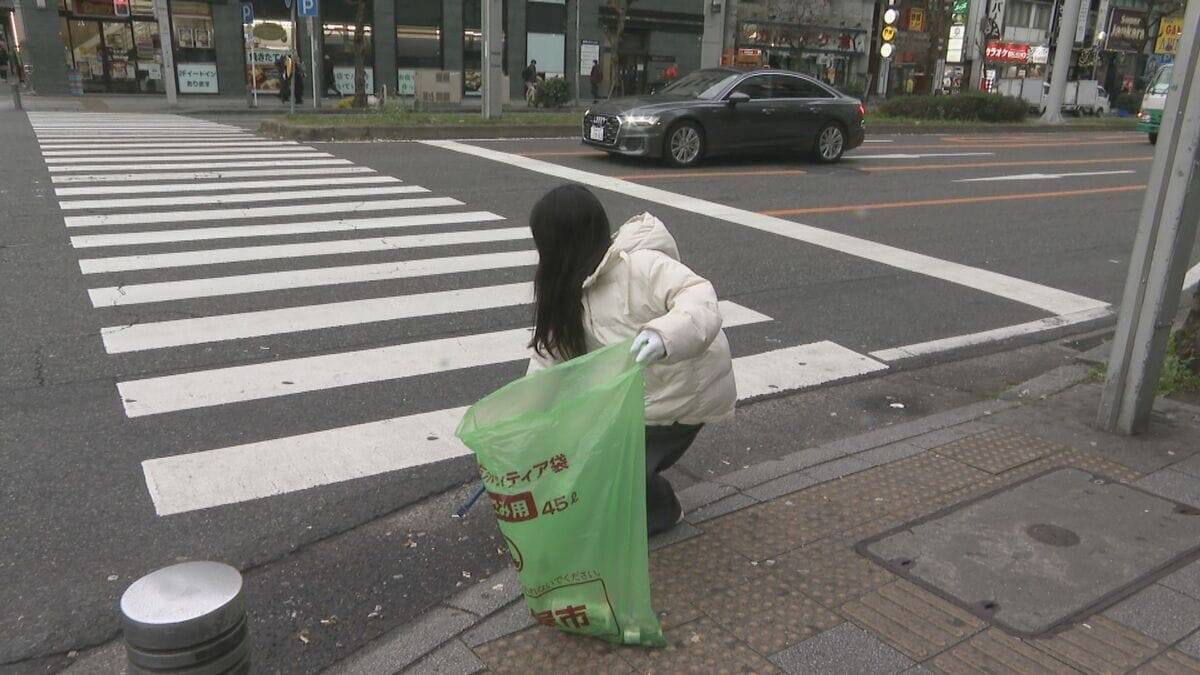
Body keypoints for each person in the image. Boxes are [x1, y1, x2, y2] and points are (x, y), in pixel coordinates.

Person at [526, 185, 736, 536]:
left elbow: (698, 297)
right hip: (639, 398)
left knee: (611, 466)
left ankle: (661, 511)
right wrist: (525, 415)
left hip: (685, 392)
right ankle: (634, 500)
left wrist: (663, 335)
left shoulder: (641, 264)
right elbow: (550, 355)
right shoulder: (568, 288)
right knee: (589, 455)